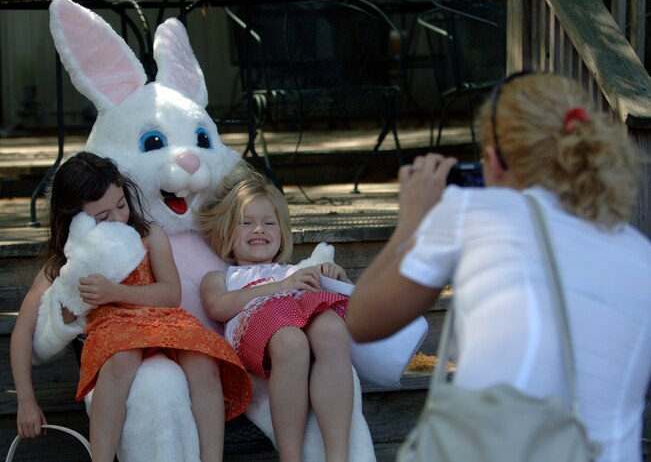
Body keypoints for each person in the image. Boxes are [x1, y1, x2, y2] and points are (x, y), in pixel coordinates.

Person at [347, 72, 651, 462]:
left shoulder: (473, 211)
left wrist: (412, 222)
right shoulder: (640, 254)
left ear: (494, 159)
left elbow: (363, 319)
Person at [10, 152, 251, 462]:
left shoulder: (149, 235)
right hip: (114, 329)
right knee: (121, 359)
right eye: (102, 216)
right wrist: (26, 400)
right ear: (74, 219)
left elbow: (170, 294)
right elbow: (23, 329)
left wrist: (114, 291)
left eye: (121, 205)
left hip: (163, 320)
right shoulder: (69, 262)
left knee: (204, 362)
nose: (118, 219)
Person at [198, 171, 354, 462]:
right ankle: (290, 457)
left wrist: (336, 277)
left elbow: (330, 298)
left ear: (282, 233)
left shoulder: (294, 272)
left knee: (332, 329)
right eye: (246, 223)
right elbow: (218, 307)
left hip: (296, 314)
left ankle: (339, 455)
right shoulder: (221, 276)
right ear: (225, 233)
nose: (259, 230)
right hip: (263, 333)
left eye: (269, 223)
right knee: (291, 341)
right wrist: (279, 287)